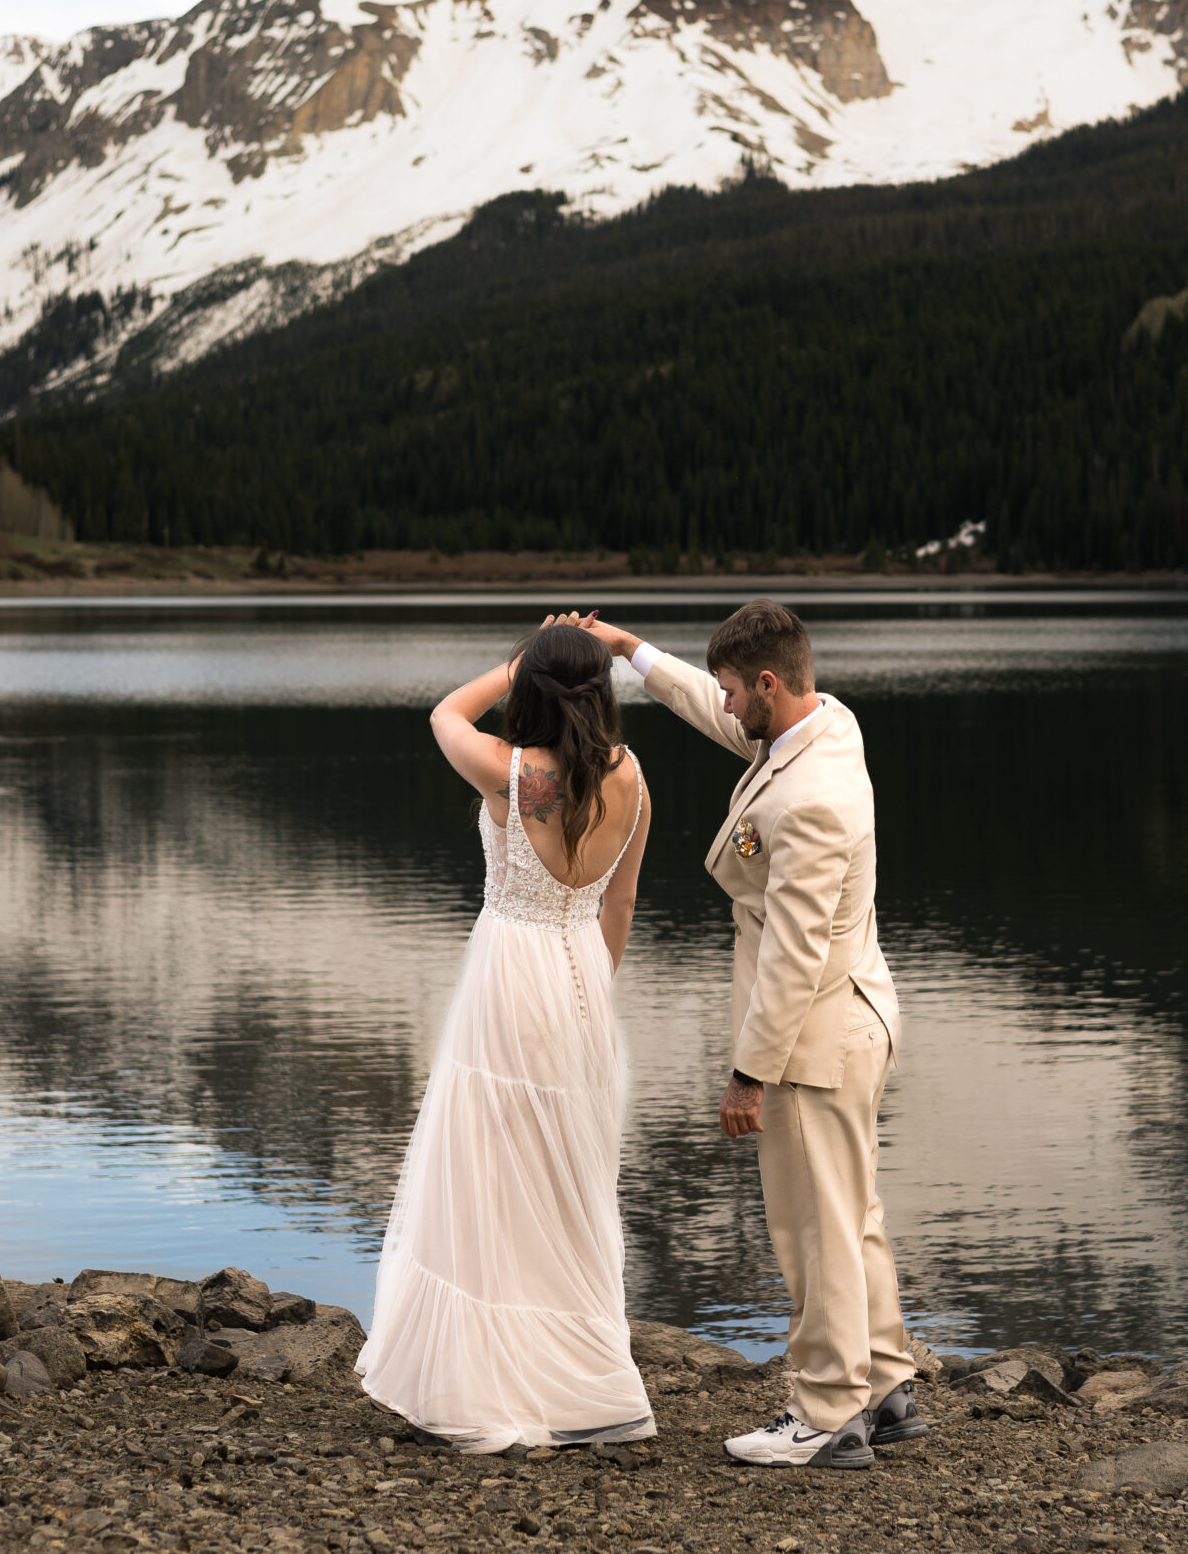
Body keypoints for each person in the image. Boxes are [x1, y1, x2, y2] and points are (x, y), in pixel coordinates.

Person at [575, 599, 927, 1470]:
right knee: (853, 1213)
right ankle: (885, 1385)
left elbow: (793, 958)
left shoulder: (808, 802)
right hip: (858, 1014)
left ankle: (824, 1413)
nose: (727, 707)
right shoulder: (822, 724)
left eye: (736, 692)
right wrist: (629, 651)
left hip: (814, 1035)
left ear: (768, 684)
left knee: (812, 1226)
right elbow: (712, 709)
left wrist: (747, 1075)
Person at [356, 619, 654, 1451]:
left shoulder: (514, 771)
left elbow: (443, 715)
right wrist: (589, 991)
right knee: (565, 1184)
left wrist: (507, 666)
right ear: (599, 692)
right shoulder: (630, 778)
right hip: (580, 979)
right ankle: (584, 1387)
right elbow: (620, 906)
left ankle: (475, 1385)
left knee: (483, 1175)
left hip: (508, 978)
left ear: (533, 688)